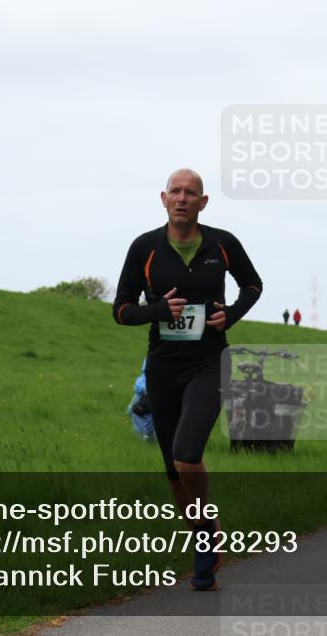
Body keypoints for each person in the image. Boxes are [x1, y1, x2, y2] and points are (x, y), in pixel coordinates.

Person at [112, 168, 262, 591]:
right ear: (163, 199)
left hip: (209, 361)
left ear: (203, 201)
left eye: (190, 193)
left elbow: (252, 285)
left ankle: (206, 528)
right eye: (175, 192)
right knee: (172, 469)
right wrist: (158, 311)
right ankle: (203, 538)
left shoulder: (222, 244)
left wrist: (229, 314)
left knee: (186, 450)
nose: (182, 198)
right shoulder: (144, 248)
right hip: (163, 365)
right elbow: (121, 309)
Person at [127, 358, 156, 442]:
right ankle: (145, 437)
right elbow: (144, 377)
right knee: (134, 410)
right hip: (146, 395)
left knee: (135, 411)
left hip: (154, 397)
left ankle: (147, 437)